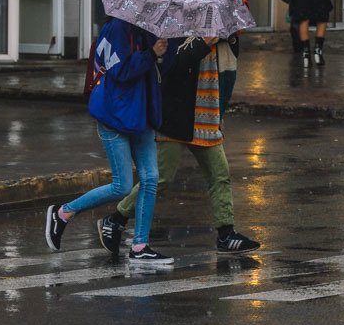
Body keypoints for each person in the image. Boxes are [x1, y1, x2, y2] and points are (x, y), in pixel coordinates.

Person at [97, 35, 262, 256]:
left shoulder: (223, 36)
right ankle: (116, 219)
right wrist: (204, 42)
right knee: (162, 179)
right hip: (175, 117)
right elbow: (174, 65)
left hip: (207, 117)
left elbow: (229, 69)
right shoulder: (177, 30)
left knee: (219, 175)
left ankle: (226, 234)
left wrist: (228, 38)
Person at [45, 17, 172, 263]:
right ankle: (62, 213)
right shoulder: (116, 28)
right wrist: (151, 54)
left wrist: (161, 54)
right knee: (122, 185)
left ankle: (140, 246)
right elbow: (121, 71)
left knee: (151, 178)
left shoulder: (146, 28)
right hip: (114, 117)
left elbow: (156, 70)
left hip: (141, 115)